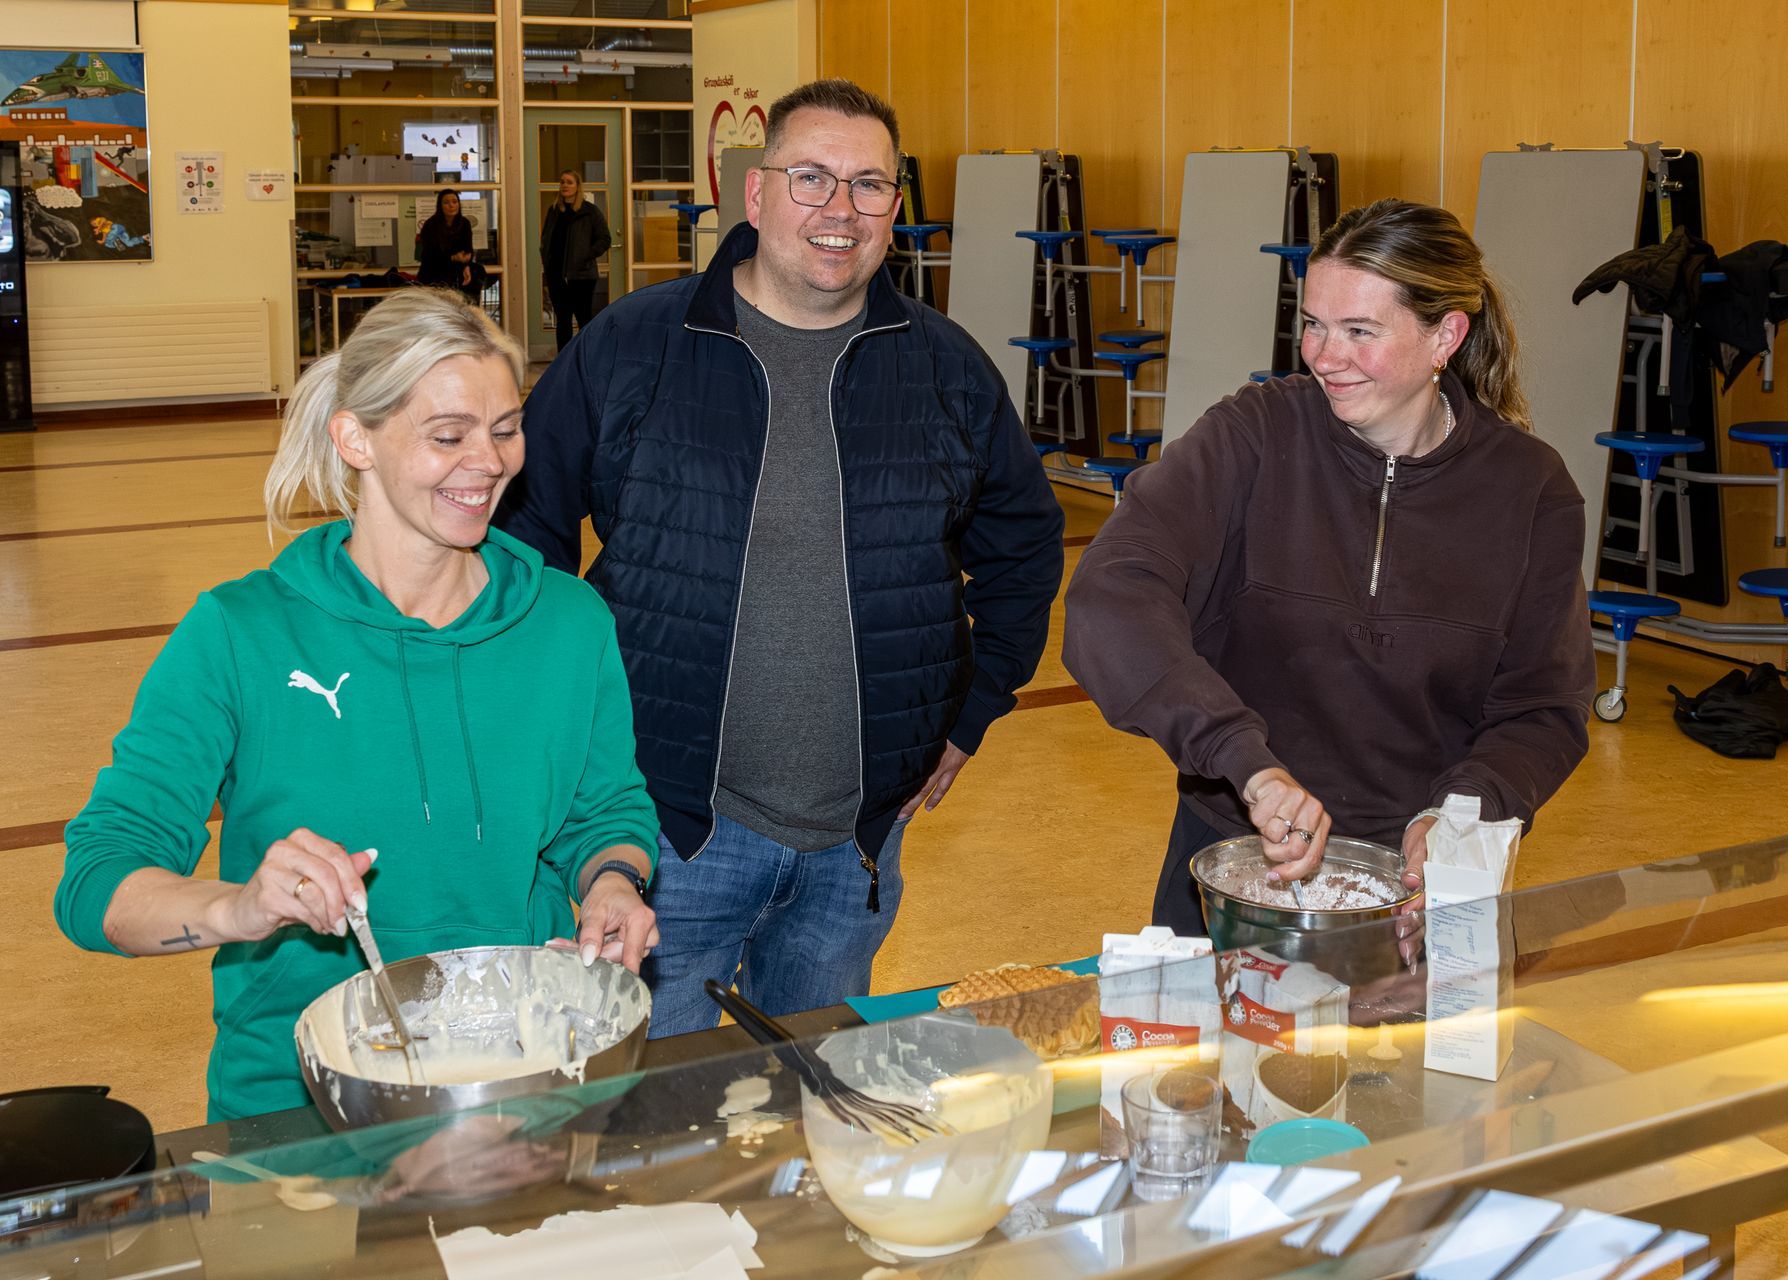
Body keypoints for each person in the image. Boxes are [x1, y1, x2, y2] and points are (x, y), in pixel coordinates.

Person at [497, 78, 1064, 1036]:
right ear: (755, 196)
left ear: (894, 208)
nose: (841, 210)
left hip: (856, 846)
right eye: (811, 178)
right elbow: (526, 529)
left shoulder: (944, 367)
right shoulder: (636, 346)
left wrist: (973, 710)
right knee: (645, 1098)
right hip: (665, 832)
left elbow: (1024, 543)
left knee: (813, 1091)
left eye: (870, 185)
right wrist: (569, 724)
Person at [54, 290, 661, 1122]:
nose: (488, 462)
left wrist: (614, 883)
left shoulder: (567, 621)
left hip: (525, 1079)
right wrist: (238, 908)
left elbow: (605, 809)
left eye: (505, 429)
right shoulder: (240, 633)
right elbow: (98, 884)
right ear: (354, 439)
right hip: (303, 1106)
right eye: (447, 435)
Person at [1063, 198, 1593, 934]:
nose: (1324, 355)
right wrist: (1247, 764)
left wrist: (1462, 809)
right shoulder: (1251, 435)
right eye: (1313, 323)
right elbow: (1114, 589)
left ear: (1445, 336)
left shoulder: (1531, 489)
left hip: (1416, 886)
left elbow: (1542, 704)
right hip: (1237, 855)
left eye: (1360, 331)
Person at [538, 170, 611, 347]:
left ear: (578, 186)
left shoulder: (589, 212)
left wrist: (586, 255)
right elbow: (546, 239)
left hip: (582, 276)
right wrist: (547, 263)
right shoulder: (554, 211)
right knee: (563, 320)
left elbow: (604, 239)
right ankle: (564, 359)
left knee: (583, 319)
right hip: (556, 276)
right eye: (562, 182)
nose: (564, 185)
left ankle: (585, 356)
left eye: (569, 182)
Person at [415, 188, 486, 303]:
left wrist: (466, 264)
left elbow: (468, 248)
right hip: (434, 273)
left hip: (457, 272)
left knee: (478, 272)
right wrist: (452, 257)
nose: (451, 205)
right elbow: (428, 255)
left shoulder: (464, 223)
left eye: (454, 202)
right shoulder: (431, 225)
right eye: (446, 202)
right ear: (440, 206)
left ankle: (469, 308)